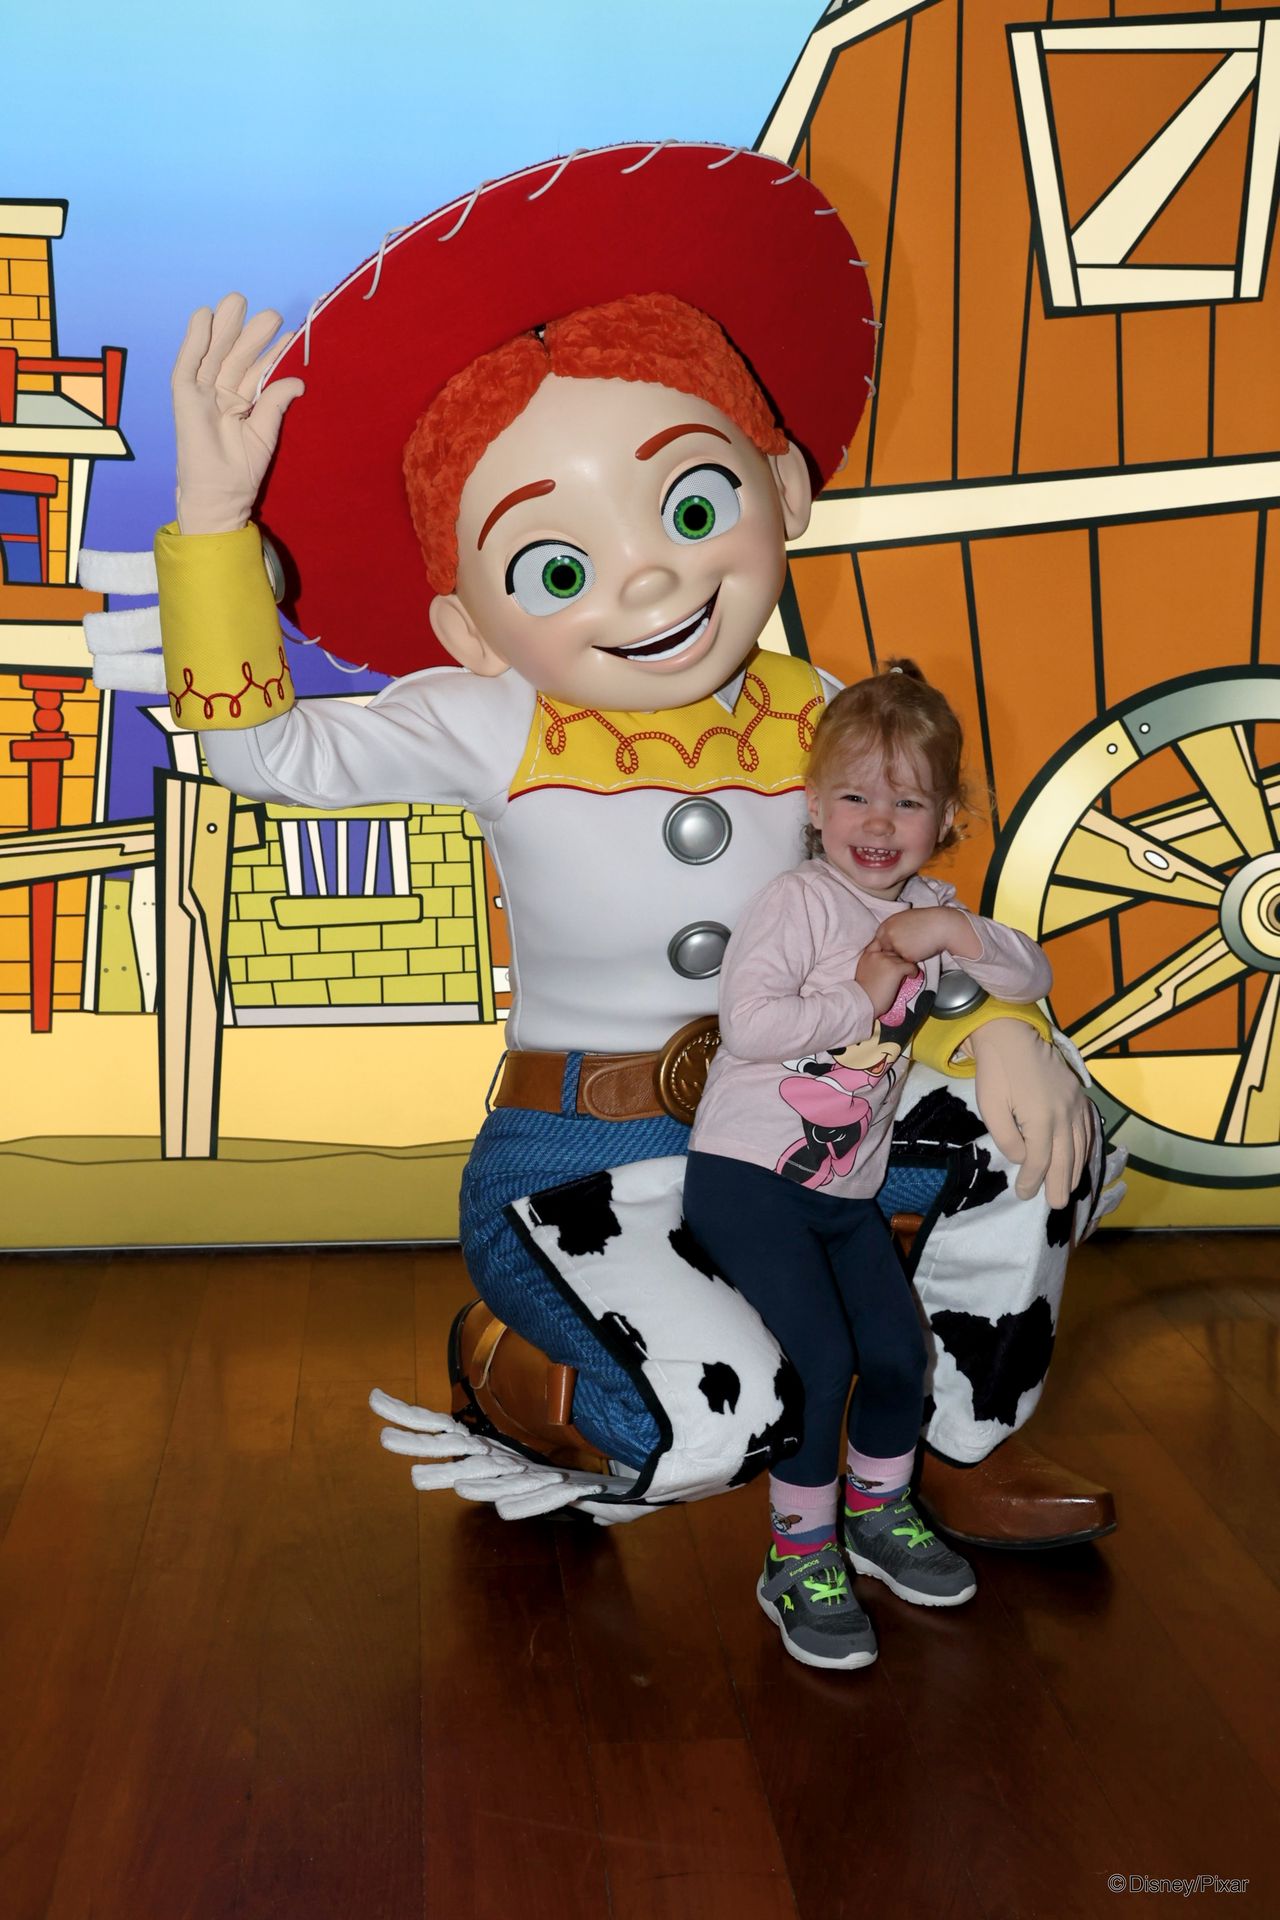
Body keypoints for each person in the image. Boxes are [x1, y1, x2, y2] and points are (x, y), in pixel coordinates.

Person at [87, 141, 1117, 1539]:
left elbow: (894, 906)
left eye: (692, 508)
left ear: (781, 489)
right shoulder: (487, 719)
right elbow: (258, 753)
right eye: (557, 567)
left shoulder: (817, 709)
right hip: (581, 1159)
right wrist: (213, 525)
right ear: (466, 626)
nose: (647, 579)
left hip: (795, 1127)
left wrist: (993, 1027)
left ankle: (943, 1437)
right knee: (727, 1421)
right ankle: (514, 1368)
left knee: (1034, 1136)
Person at [684, 662, 1053, 1668]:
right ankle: (797, 1555)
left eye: (907, 802)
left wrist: (948, 930)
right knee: (821, 1362)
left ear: (946, 818)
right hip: (746, 1180)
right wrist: (868, 989)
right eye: (853, 797)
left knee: (897, 1354)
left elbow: (1028, 970)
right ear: (813, 806)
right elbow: (749, 1026)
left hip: (841, 1191)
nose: (877, 822)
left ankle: (877, 1516)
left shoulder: (926, 906)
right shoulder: (797, 902)